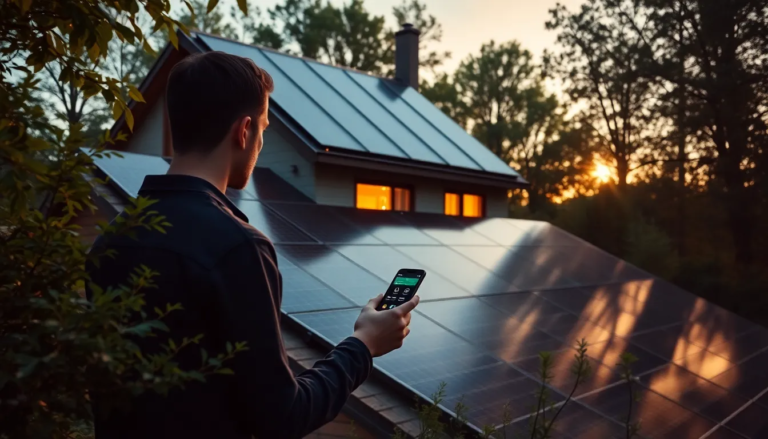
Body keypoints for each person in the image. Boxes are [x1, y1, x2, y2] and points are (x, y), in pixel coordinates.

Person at [86, 51, 419, 439]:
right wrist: (364, 344)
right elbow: (284, 417)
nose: (261, 140)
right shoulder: (237, 247)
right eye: (263, 128)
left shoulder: (112, 241)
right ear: (243, 132)